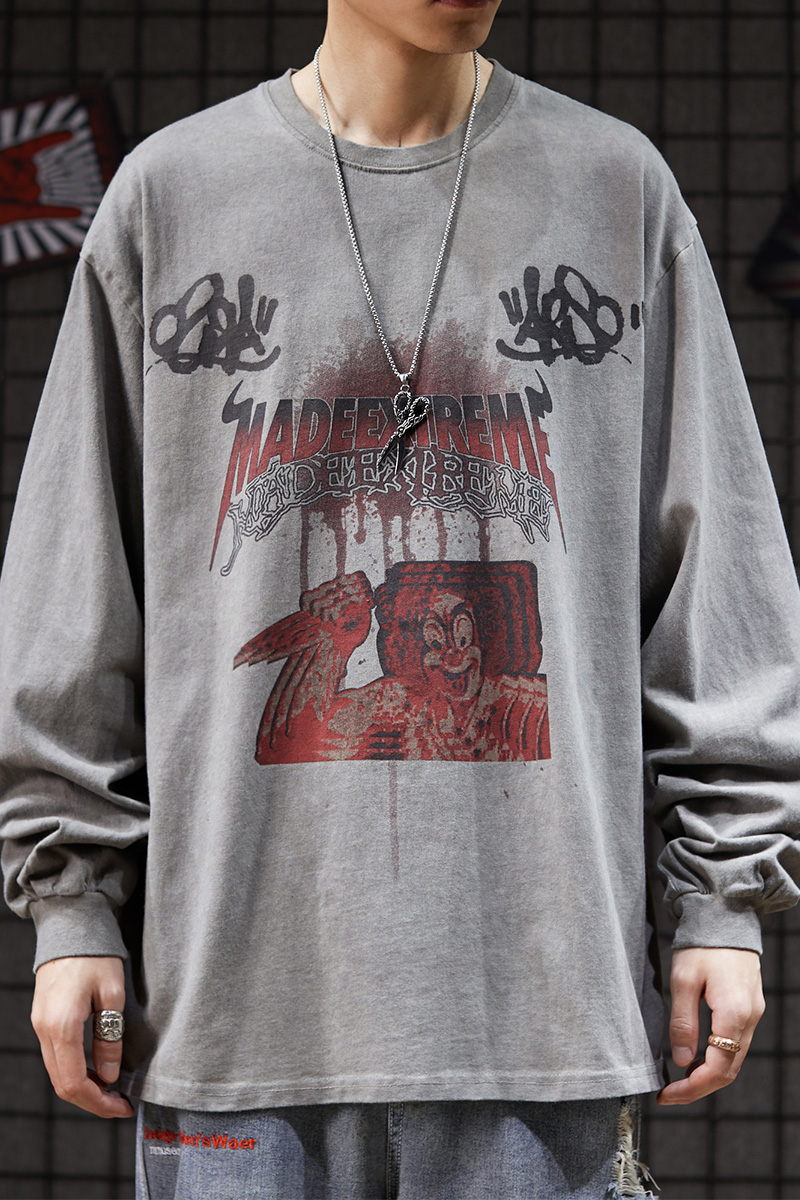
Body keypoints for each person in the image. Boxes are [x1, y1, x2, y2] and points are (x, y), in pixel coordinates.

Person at [1, 1, 798, 1196]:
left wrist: (721, 899)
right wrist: (71, 908)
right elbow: (76, 583)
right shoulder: (171, 198)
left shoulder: (613, 190)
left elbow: (717, 577)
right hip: (233, 1010)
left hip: (538, 1011)